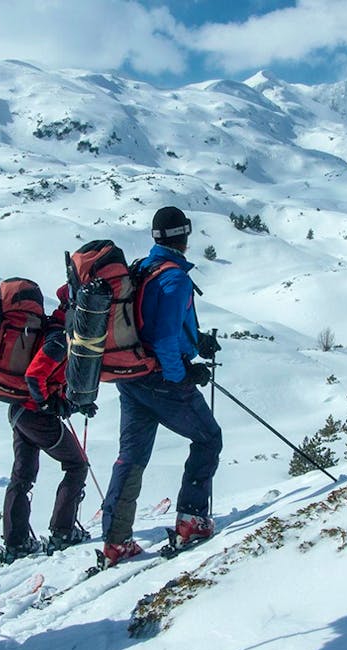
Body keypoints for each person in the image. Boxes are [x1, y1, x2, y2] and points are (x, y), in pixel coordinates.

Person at [99, 206, 222, 565]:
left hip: (132, 378)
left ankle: (116, 540)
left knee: (131, 456)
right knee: (208, 438)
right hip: (161, 379)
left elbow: (150, 321)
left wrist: (197, 341)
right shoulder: (175, 278)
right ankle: (192, 519)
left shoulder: (143, 268)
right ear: (185, 235)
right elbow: (164, 336)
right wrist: (182, 375)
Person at [0, 284, 91, 563]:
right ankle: (62, 532)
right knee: (77, 465)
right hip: (36, 414)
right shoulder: (59, 337)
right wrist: (48, 403)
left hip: (18, 412)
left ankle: (16, 542)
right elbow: (35, 375)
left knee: (22, 477)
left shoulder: (43, 326)